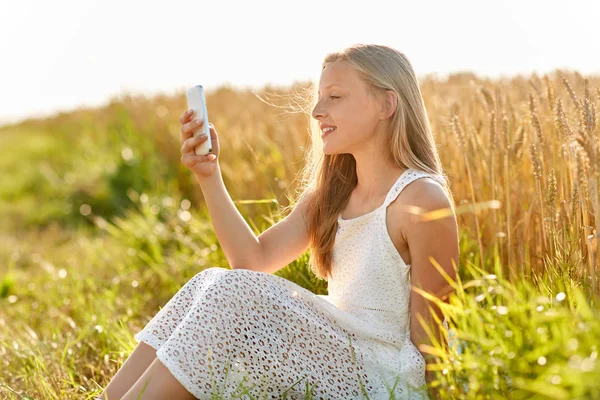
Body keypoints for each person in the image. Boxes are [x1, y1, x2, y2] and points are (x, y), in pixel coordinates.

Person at [99, 43, 459, 400]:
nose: (318, 111)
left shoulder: (421, 200)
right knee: (209, 282)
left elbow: (431, 335)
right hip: (340, 352)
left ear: (387, 104)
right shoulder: (331, 196)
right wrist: (208, 175)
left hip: (385, 378)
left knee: (233, 291)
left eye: (335, 97)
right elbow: (252, 262)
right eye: (319, 97)